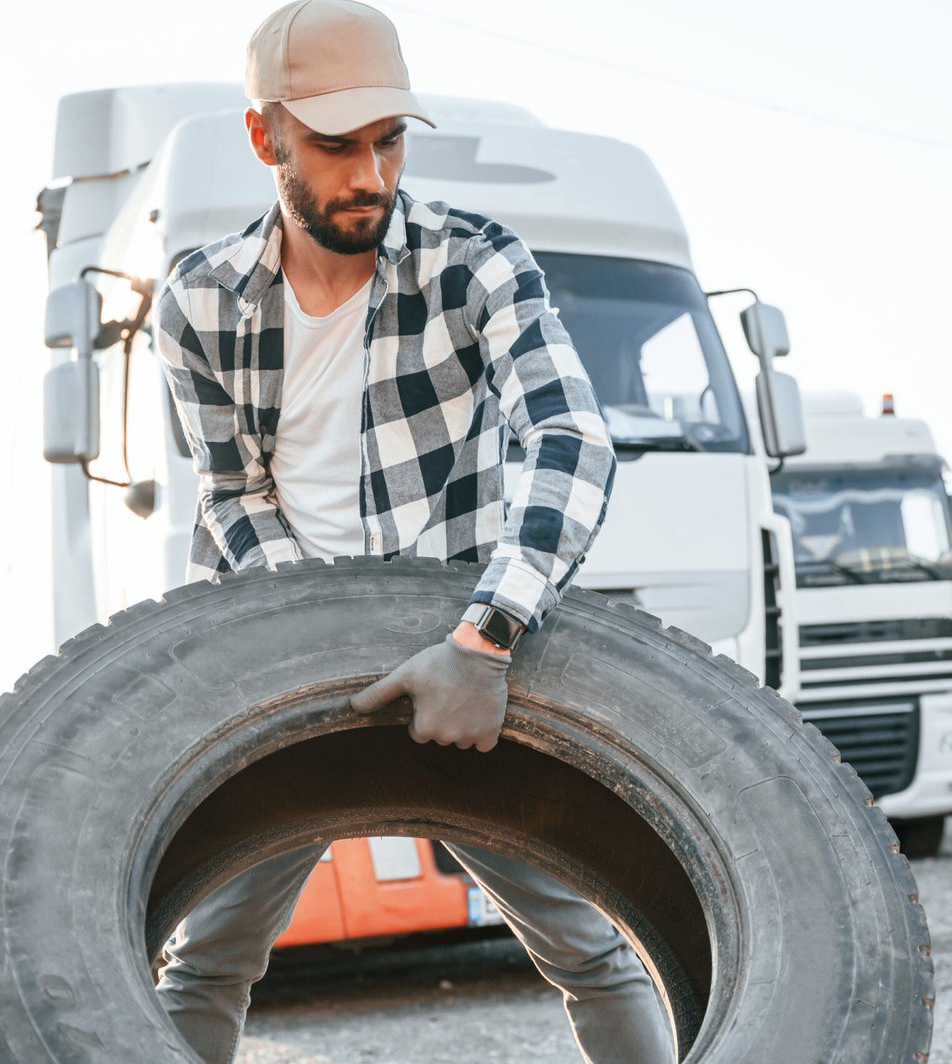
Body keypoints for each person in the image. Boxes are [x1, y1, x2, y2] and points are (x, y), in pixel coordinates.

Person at [148, 3, 674, 1061]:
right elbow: (232, 494)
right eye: (337, 145)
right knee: (209, 957)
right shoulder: (197, 302)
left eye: (389, 140)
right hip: (274, 657)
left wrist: (487, 636)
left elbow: (570, 436)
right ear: (266, 138)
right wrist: (319, 645)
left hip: (456, 645)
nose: (373, 176)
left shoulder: (476, 264)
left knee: (584, 940)